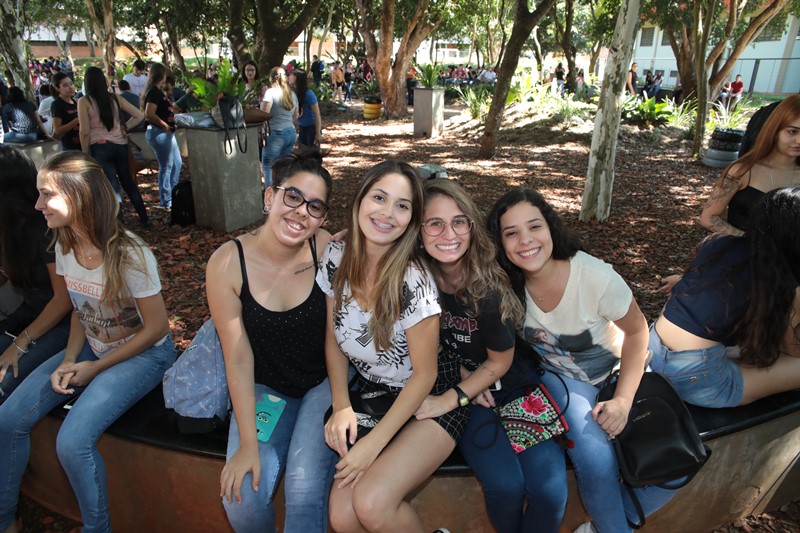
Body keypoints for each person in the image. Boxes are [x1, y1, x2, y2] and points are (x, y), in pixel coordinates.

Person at [0, 151, 174, 533]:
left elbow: (158, 328)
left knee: (72, 442)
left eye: (47, 195)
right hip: (93, 346)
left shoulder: (130, 254)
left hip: (144, 354)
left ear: (78, 197)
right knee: (8, 419)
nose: (37, 204)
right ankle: (5, 519)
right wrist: (69, 359)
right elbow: (80, 310)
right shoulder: (64, 244)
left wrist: (95, 368)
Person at [487, 188, 676, 533]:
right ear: (500, 243)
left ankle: (609, 525)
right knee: (596, 459)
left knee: (675, 459)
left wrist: (623, 401)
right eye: (511, 233)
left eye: (535, 226)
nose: (525, 240)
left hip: (621, 371)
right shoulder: (504, 284)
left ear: (551, 227)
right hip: (564, 379)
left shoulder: (594, 276)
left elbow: (637, 333)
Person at [320, 161, 466, 533]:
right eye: (379, 198)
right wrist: (341, 404)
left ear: (412, 220)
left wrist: (373, 445)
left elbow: (425, 375)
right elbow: (333, 338)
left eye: (402, 206)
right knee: (342, 517)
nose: (387, 213)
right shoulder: (335, 257)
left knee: (372, 502)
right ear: (359, 200)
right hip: (375, 391)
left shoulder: (414, 280)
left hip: (429, 395)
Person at [415, 179, 567, 533]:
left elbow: (500, 363)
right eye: (434, 223)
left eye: (459, 222)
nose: (448, 234)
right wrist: (461, 374)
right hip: (470, 397)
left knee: (549, 491)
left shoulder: (487, 287)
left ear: (472, 227)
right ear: (418, 232)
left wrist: (451, 398)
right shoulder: (417, 278)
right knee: (505, 486)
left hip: (514, 387)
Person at [210, 148, 338, 533]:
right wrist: (248, 445)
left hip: (323, 383)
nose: (301, 212)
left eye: (314, 206)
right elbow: (237, 357)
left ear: (322, 219)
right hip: (266, 388)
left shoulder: (325, 248)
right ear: (270, 196)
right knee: (242, 500)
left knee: (304, 489)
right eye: (293, 196)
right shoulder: (227, 263)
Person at [650, 187, 800, 408]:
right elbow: (792, 349)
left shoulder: (717, 243)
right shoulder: (784, 277)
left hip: (654, 348)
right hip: (697, 376)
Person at [0, 146, 71, 404]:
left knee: (5, 381)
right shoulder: (10, 226)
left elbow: (63, 300)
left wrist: (18, 345)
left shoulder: (45, 228)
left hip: (64, 323)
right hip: (30, 314)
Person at [700, 94, 800, 236]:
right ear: (774, 130)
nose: (799, 140)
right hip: (743, 248)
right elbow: (709, 218)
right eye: (792, 131)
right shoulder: (742, 171)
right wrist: (748, 240)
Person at [78, 66, 149, 228]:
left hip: (100, 148)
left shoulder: (84, 101)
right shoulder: (115, 98)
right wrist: (125, 127)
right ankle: (144, 218)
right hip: (120, 145)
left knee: (112, 186)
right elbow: (139, 114)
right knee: (129, 182)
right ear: (104, 81)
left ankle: (119, 222)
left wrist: (85, 153)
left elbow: (84, 131)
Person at [142, 63, 182, 209]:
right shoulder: (153, 92)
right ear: (162, 75)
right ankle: (166, 200)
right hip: (159, 132)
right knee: (167, 166)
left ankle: (174, 193)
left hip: (168, 133)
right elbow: (149, 113)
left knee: (177, 163)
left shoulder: (159, 92)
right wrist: (164, 124)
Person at [261, 67, 298, 191]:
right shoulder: (292, 94)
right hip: (290, 132)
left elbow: (264, 114)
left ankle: (270, 198)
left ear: (271, 78)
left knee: (269, 166)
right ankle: (284, 194)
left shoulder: (270, 92)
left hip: (275, 133)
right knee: (285, 167)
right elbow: (296, 116)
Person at [50, 72, 81, 151]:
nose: (71, 87)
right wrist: (76, 120)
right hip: (70, 147)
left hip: (83, 144)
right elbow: (58, 130)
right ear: (57, 88)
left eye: (71, 84)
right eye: (65, 85)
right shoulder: (57, 104)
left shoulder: (76, 101)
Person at [293, 70, 322, 148]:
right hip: (302, 128)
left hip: (311, 128)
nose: (289, 77)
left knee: (311, 152)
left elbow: (317, 114)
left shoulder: (309, 94)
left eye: (293, 75)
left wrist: (318, 133)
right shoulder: (295, 93)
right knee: (302, 152)